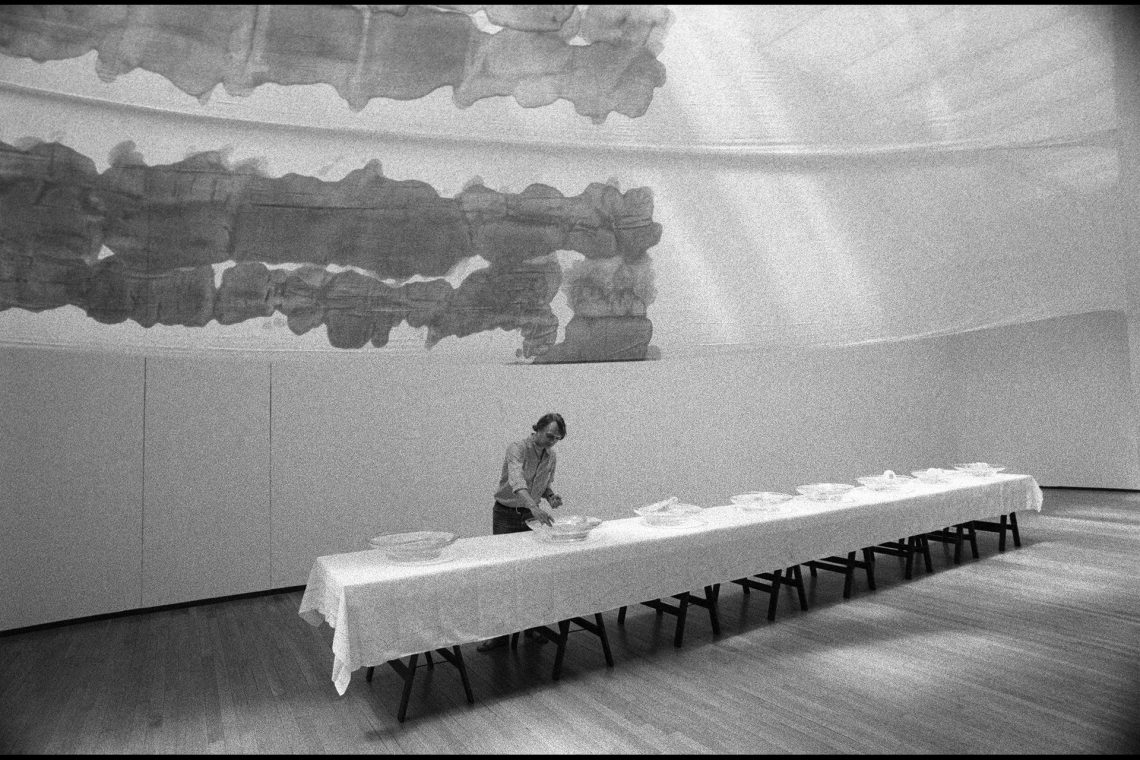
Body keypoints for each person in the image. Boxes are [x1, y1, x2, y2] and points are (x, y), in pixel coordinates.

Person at [476, 412, 566, 653]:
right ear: (536, 429)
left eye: (557, 439)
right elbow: (517, 483)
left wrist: (550, 496)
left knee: (531, 572)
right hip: (507, 515)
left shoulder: (551, 456)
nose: (552, 442)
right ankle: (500, 634)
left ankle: (532, 627)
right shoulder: (517, 449)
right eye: (549, 436)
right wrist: (534, 507)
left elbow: (544, 484)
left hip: (529, 516)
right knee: (504, 575)